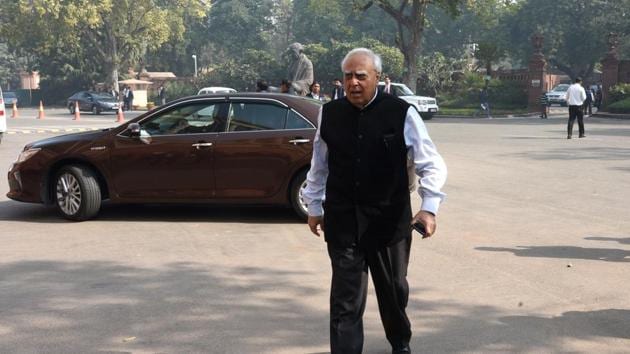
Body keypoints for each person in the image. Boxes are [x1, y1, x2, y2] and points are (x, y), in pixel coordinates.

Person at [302, 48, 447, 354]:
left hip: (388, 221)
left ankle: (400, 343)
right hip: (343, 221)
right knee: (345, 300)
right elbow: (319, 165)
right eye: (348, 76)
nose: (353, 82)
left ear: (377, 79)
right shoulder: (329, 113)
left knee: (393, 292)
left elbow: (430, 163)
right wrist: (314, 206)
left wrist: (429, 208)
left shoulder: (401, 112)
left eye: (361, 76)